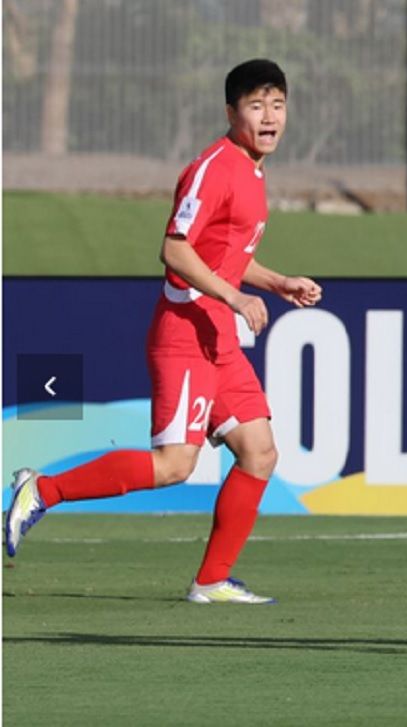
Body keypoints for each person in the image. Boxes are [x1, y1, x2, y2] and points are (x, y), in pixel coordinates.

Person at [4, 59, 322, 605]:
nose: (269, 116)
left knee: (259, 451)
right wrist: (235, 296)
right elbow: (175, 250)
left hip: (217, 335)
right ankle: (41, 489)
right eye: (256, 105)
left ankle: (211, 581)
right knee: (176, 465)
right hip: (185, 333)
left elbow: (221, 255)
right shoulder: (215, 168)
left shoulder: (250, 169)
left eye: (278, 104)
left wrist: (275, 282)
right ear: (231, 112)